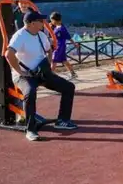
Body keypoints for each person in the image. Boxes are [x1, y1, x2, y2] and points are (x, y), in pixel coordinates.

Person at [5, 11, 77, 141]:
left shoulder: (41, 35)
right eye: (40, 21)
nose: (43, 23)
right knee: (30, 92)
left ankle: (62, 120)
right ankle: (31, 129)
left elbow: (49, 50)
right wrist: (20, 72)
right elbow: (8, 54)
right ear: (32, 23)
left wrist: (48, 65)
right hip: (25, 75)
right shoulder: (19, 36)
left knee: (68, 87)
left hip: (41, 73)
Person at [49, 12, 79, 80]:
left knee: (54, 61)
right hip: (59, 46)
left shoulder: (62, 28)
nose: (51, 22)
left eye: (51, 20)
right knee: (64, 60)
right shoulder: (57, 27)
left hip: (59, 46)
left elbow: (68, 37)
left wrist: (74, 44)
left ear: (55, 20)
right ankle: (73, 73)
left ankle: (49, 77)